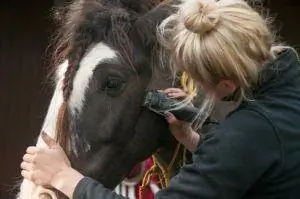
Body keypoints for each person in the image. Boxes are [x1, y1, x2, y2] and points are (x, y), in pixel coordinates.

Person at [20, 0, 300, 198]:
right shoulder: (289, 89)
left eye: (196, 80)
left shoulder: (246, 133)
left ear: (226, 85)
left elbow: (246, 145)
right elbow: (261, 161)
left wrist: (65, 178)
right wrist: (195, 141)